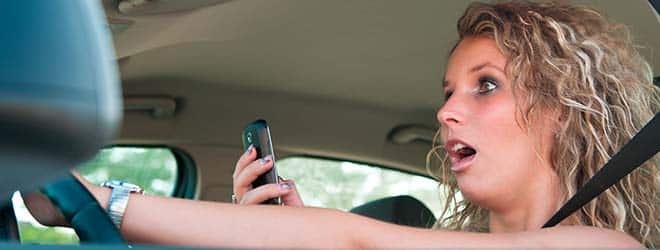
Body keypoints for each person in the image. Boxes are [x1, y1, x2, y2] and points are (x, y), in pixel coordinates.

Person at [26, 0, 658, 248]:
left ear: (564, 109)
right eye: (448, 92)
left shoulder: (602, 247)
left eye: (486, 85)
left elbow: (352, 238)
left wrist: (99, 202)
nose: (445, 112)